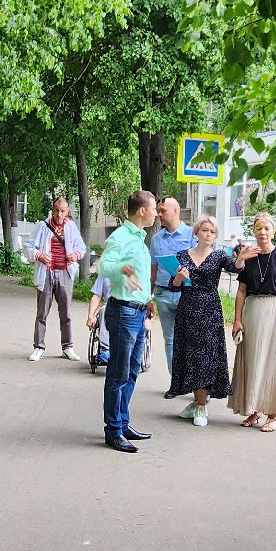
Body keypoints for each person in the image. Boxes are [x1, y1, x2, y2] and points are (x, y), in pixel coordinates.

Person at [96, 190, 158, 453]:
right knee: (118, 374)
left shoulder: (140, 239)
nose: (156, 214)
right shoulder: (121, 236)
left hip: (138, 313)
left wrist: (148, 301)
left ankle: (122, 423)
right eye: (153, 209)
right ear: (141, 211)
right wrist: (123, 269)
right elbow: (104, 267)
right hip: (123, 314)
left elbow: (140, 277)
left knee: (132, 372)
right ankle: (113, 431)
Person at [229, 212, 276, 432]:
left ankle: (273, 414)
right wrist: (237, 320)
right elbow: (241, 291)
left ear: (273, 231)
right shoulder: (249, 257)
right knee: (252, 360)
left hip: (275, 311)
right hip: (253, 311)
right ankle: (255, 408)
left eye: (267, 228)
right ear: (254, 231)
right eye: (259, 228)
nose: (263, 232)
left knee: (273, 361)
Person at [166, 217, 234, 427]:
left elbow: (236, 267)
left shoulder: (219, 256)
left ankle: (202, 406)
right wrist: (179, 278)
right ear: (196, 232)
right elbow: (173, 285)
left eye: (212, 232)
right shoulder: (182, 255)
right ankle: (196, 402)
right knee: (190, 356)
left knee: (206, 356)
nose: (208, 234)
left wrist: (241, 258)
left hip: (209, 310)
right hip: (187, 309)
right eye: (205, 230)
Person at [23, 197, 86, 362]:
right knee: (42, 312)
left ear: (67, 212)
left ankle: (67, 347)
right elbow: (27, 245)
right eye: (57, 210)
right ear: (52, 209)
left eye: (63, 211)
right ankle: (38, 347)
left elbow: (82, 247)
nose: (59, 214)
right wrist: (39, 255)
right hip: (46, 273)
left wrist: (75, 255)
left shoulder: (71, 227)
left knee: (66, 313)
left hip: (65, 273)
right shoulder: (43, 226)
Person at [148, 197, 194, 394]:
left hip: (186, 294)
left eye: (163, 211)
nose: (159, 214)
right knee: (171, 339)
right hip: (163, 294)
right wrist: (148, 297)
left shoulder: (192, 234)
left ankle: (197, 386)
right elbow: (153, 270)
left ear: (176, 211)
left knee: (191, 339)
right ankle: (176, 383)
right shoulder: (156, 239)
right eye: (158, 211)